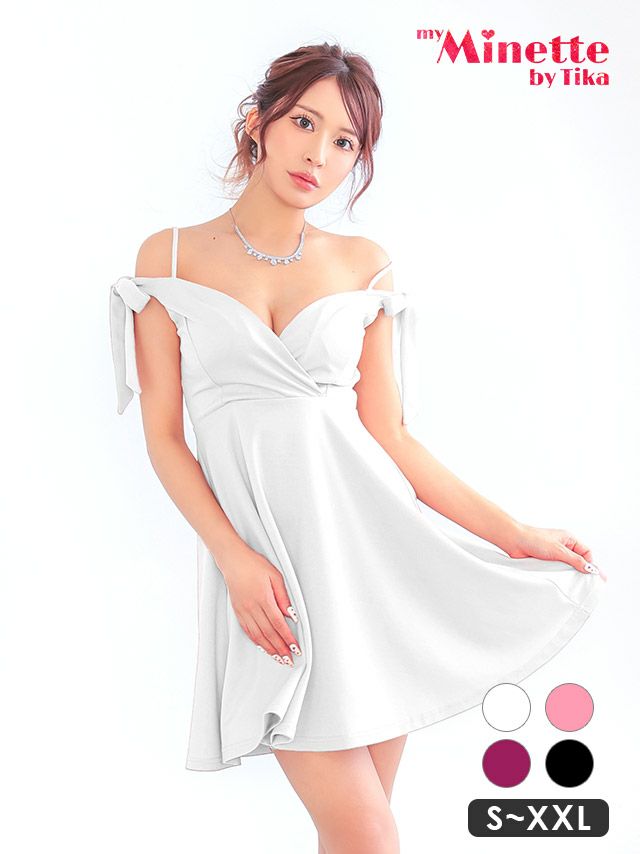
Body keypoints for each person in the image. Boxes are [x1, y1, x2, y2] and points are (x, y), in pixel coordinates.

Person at [109, 42, 606, 854]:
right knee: (365, 834)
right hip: (271, 574)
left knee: (363, 834)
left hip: (373, 565)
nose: (320, 154)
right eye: (305, 123)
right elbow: (164, 437)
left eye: (346, 141)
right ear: (258, 121)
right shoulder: (168, 258)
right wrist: (234, 558)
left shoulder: (366, 266)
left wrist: (516, 535)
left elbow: (391, 436)